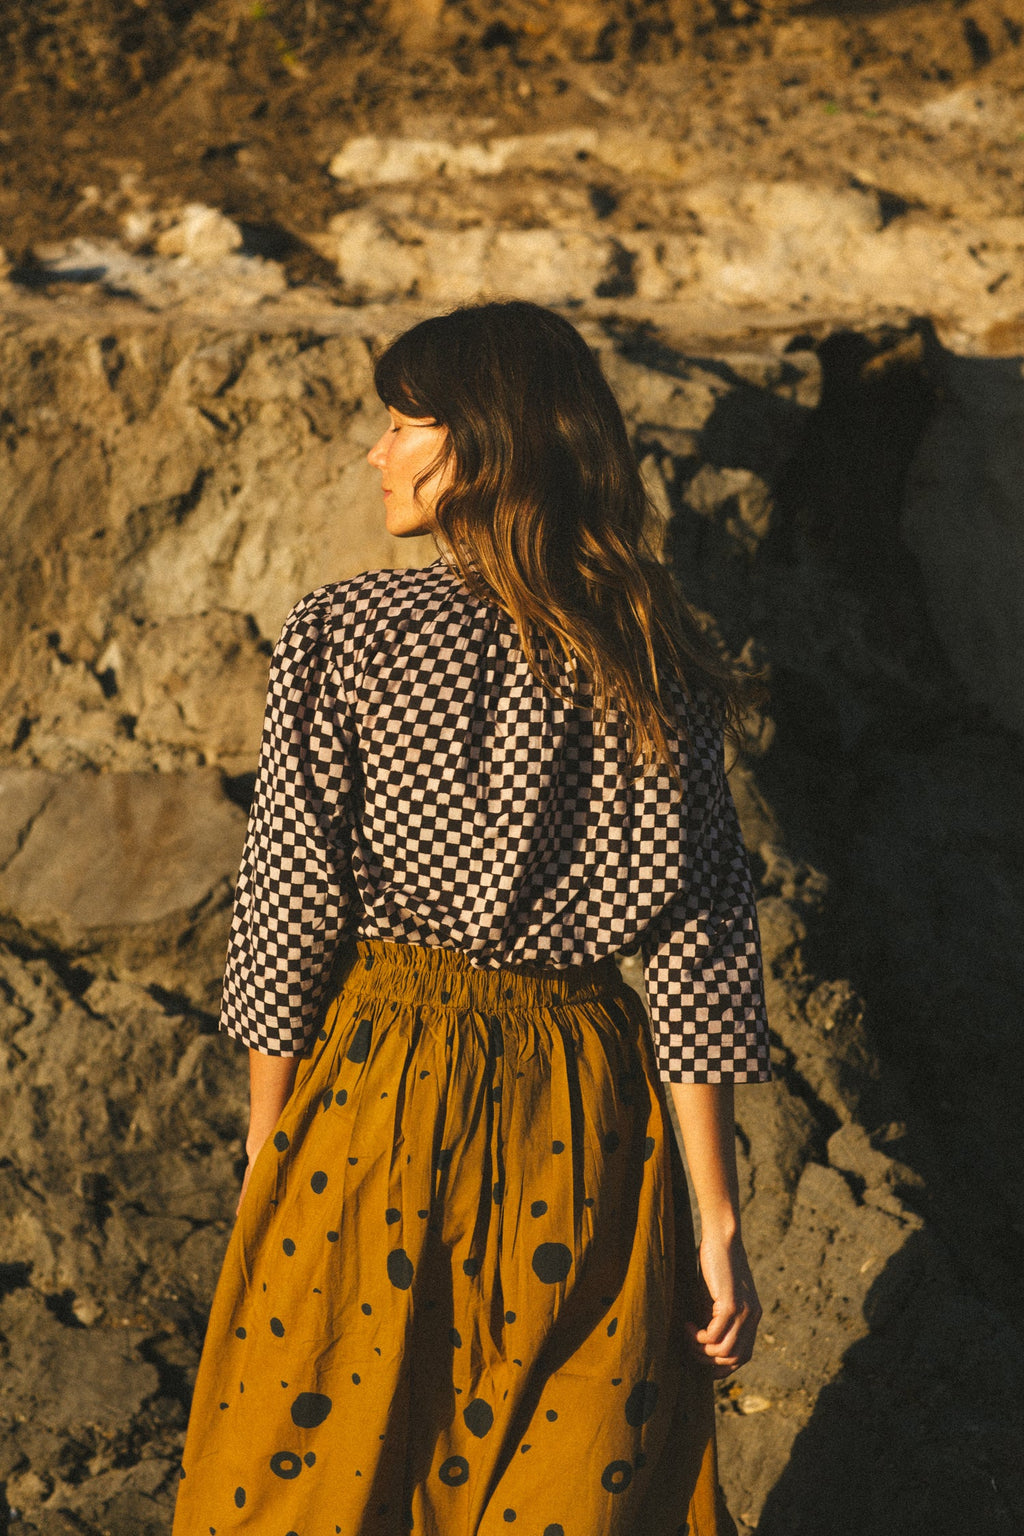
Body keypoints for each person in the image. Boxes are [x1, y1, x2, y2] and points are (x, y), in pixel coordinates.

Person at [173, 300, 771, 1536]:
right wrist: (715, 1221)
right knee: (562, 1479)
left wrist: (269, 1139)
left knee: (315, 1470)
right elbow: (698, 950)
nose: (375, 454)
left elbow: (288, 906)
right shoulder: (654, 655)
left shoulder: (348, 632)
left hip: (379, 1093)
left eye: (401, 425)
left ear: (479, 451)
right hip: (590, 1115)